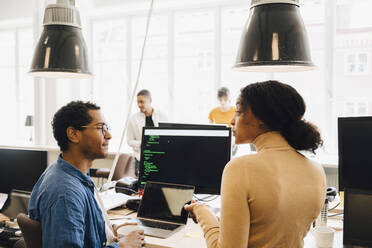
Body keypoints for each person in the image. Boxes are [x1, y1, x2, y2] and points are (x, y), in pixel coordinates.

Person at [185, 80, 326, 248]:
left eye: (238, 112)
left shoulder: (240, 168)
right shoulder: (317, 170)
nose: (231, 121)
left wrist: (202, 212)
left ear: (260, 119)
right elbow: (267, 230)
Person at [28, 101, 145, 248]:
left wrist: (105, 230)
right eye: (100, 128)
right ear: (73, 134)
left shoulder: (70, 174)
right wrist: (122, 246)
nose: (108, 135)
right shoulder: (65, 194)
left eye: (107, 128)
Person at [127, 89, 167, 176]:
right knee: (141, 186)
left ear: (150, 101)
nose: (139, 105)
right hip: (141, 159)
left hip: (159, 158)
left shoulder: (162, 116)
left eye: (142, 102)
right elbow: (129, 141)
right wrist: (142, 143)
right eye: (137, 102)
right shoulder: (133, 119)